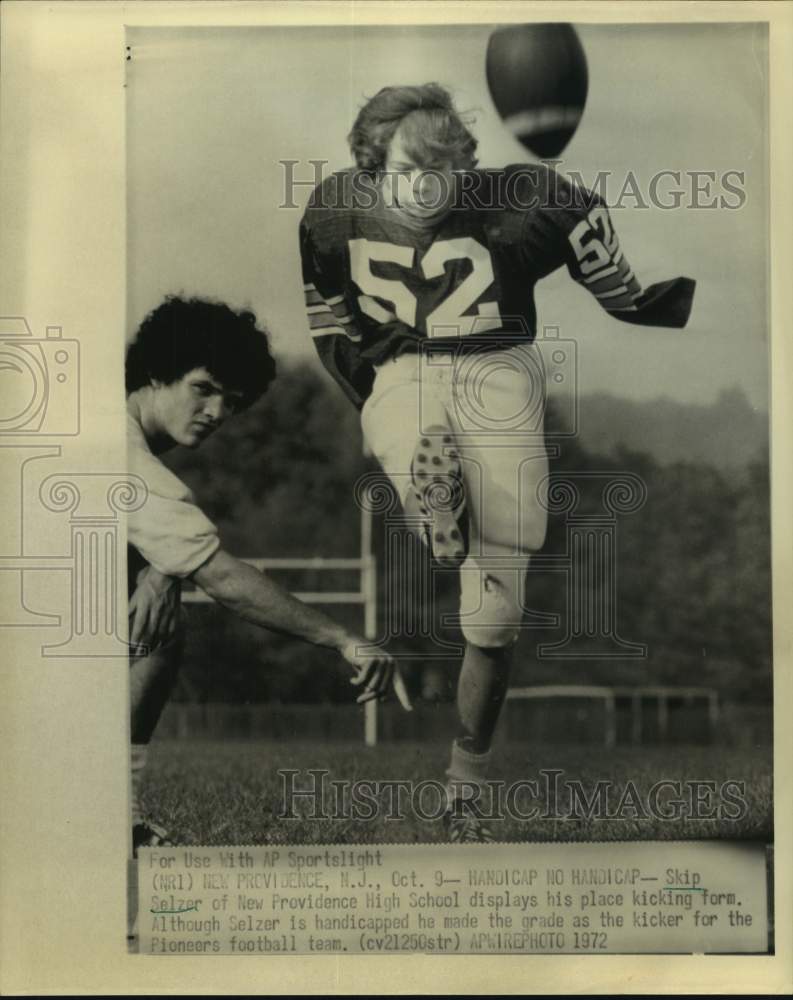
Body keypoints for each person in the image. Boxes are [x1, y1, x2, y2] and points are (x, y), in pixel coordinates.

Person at [299, 83, 695, 842]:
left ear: (467, 162)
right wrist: (366, 388)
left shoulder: (522, 201)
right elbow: (332, 320)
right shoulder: (333, 212)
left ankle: (463, 787)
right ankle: (431, 497)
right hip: (406, 367)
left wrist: (639, 295)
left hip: (497, 369)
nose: (433, 183)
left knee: (494, 620)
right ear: (370, 161)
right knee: (408, 429)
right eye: (414, 165)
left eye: (449, 164)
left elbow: (606, 274)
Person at [126, 295, 409, 853]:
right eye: (202, 388)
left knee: (155, 606)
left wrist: (162, 570)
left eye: (230, 401)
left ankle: (111, 808)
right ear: (158, 372)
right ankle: (108, 811)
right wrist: (343, 639)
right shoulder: (121, 454)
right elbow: (225, 579)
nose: (215, 411)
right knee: (156, 626)